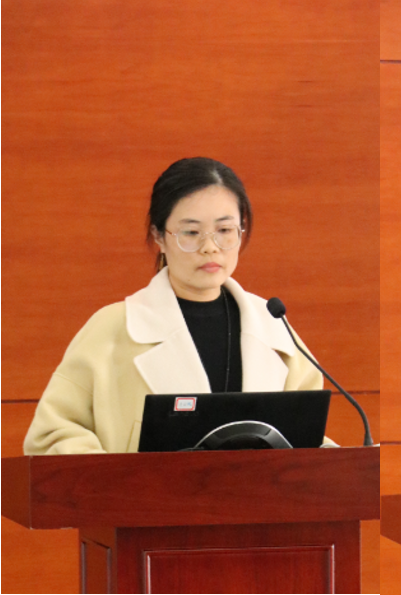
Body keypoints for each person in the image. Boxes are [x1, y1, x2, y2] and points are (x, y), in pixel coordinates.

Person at [24, 157, 324, 455]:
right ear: (159, 236)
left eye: (224, 231)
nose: (210, 247)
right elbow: (51, 435)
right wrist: (120, 479)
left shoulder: (273, 326)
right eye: (191, 233)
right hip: (143, 489)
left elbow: (307, 439)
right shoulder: (113, 328)